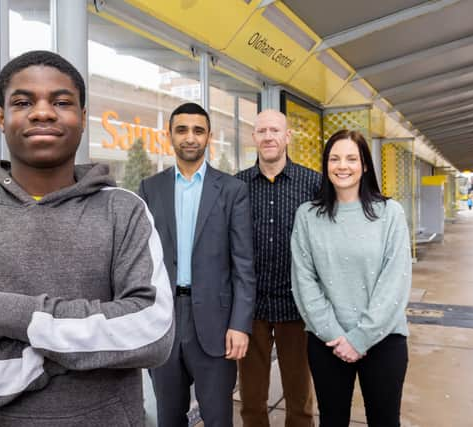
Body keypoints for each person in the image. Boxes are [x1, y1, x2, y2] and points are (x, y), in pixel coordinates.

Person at [0, 50, 174, 427]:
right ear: (1, 117)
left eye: (61, 101)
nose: (43, 112)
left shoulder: (125, 212)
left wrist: (8, 315)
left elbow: (150, 329)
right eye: (23, 102)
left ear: (83, 119)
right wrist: (41, 363)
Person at [139, 102, 256, 427]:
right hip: (164, 321)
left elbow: (243, 264)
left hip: (217, 324)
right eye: (182, 130)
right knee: (168, 418)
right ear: (170, 136)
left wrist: (240, 325)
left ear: (209, 137)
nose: (190, 137)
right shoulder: (151, 188)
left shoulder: (233, 190)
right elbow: (140, 260)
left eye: (198, 130)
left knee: (218, 418)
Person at [291, 129, 411, 426]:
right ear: (326, 165)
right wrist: (334, 334)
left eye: (351, 159)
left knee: (384, 420)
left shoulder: (390, 213)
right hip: (327, 341)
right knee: (332, 420)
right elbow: (304, 280)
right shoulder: (307, 215)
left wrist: (360, 338)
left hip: (384, 339)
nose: (342, 166)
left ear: (365, 165)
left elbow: (395, 281)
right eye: (334, 158)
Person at [234, 109, 317, 427]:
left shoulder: (312, 183)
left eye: (274, 130)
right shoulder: (237, 185)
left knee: (300, 398)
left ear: (287, 136)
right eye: (261, 131)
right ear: (253, 137)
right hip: (250, 307)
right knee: (251, 399)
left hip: (297, 306)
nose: (268, 136)